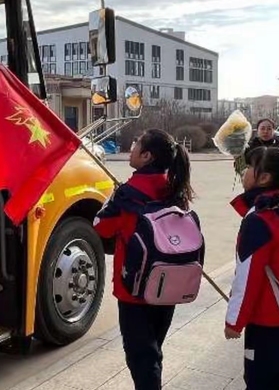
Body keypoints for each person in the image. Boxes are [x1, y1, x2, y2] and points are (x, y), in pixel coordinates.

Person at [93, 129, 194, 390]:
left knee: (141, 356)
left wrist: (112, 197)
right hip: (168, 283)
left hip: (134, 288)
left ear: (147, 156)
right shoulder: (175, 187)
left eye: (137, 142)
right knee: (153, 350)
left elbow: (101, 227)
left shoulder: (127, 193)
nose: (133, 145)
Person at [225, 147, 279, 390]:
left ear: (264, 178)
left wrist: (234, 320)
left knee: (259, 380)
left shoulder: (259, 218)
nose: (244, 172)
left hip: (267, 317)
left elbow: (249, 274)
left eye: (250, 167)